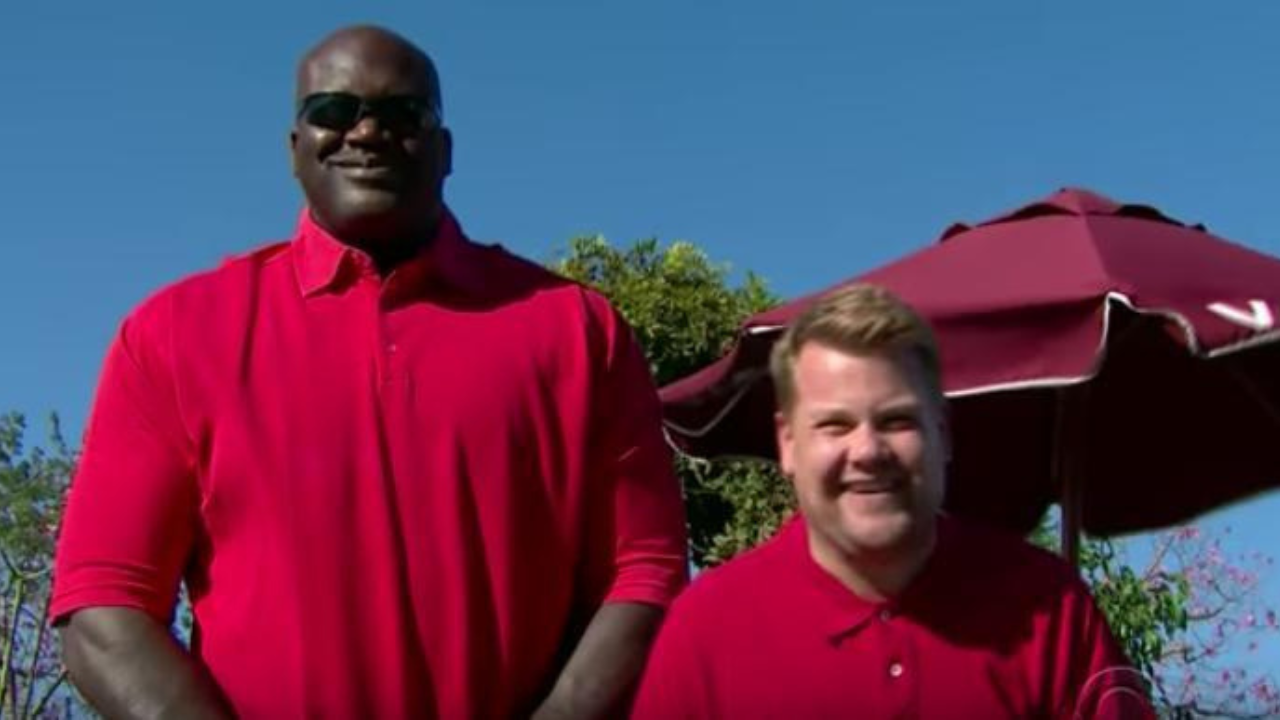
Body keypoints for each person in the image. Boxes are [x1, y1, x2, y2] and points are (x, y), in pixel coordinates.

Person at [52, 24, 688, 719]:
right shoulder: (173, 335)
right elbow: (103, 605)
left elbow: (645, 573)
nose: (366, 133)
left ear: (445, 151)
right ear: (295, 148)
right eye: (332, 111)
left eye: (403, 115)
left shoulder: (576, 330)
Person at [631, 284, 1154, 719]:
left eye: (897, 421)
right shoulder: (706, 633)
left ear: (944, 435)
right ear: (788, 444)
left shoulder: (1050, 609)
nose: (868, 451)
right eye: (835, 425)